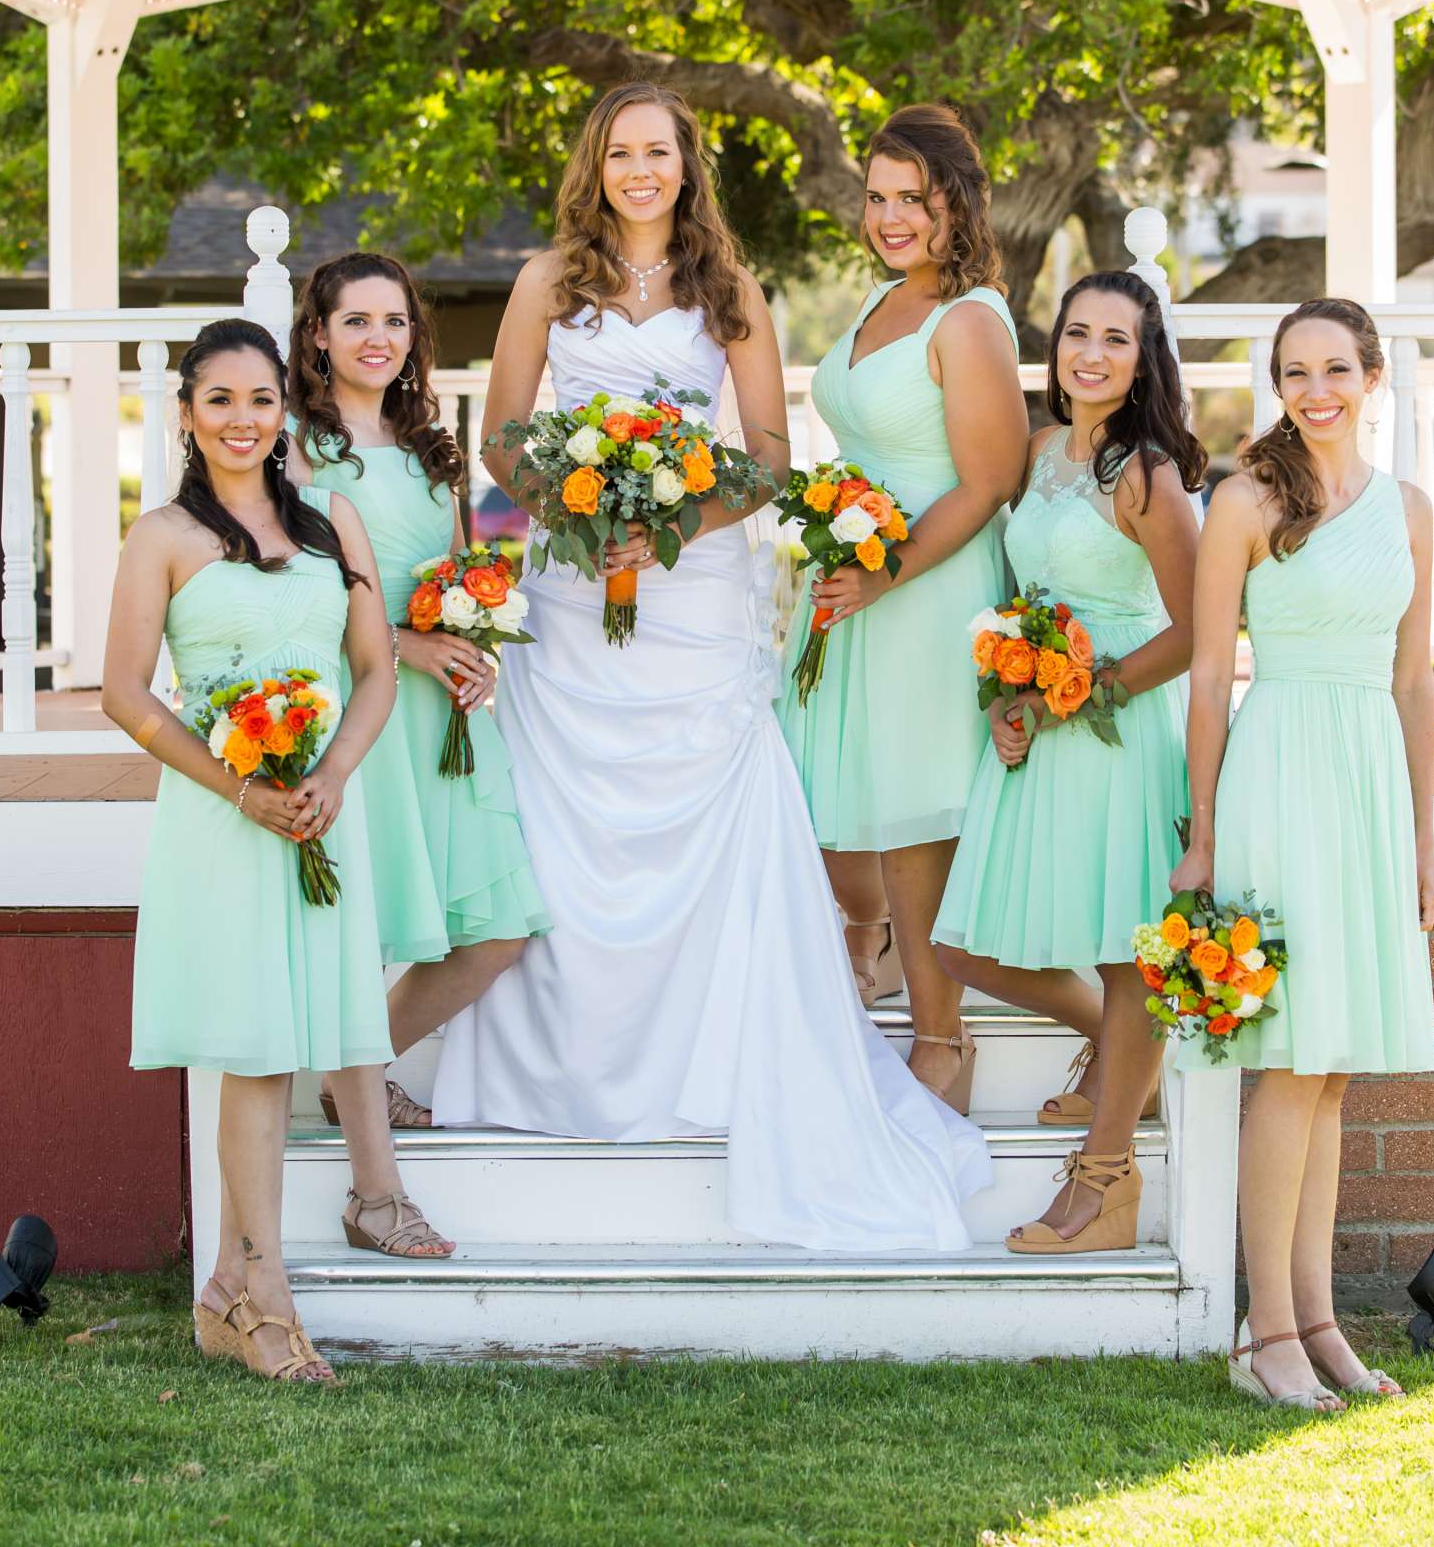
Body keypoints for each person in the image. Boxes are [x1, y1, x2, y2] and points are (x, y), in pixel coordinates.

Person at [433, 81, 989, 1251]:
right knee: (570, 823)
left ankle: (714, 1059)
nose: (643, 171)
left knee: (702, 811)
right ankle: (558, 1073)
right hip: (573, 596)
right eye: (622, 152)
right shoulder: (545, 282)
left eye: (662, 153)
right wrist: (572, 505)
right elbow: (500, 435)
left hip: (695, 593)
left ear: (690, 168)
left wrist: (673, 517)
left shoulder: (732, 291)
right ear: (597, 165)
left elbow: (773, 454)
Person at [105, 319, 435, 1382]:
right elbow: (123, 695)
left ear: (282, 412)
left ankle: (226, 1293)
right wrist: (242, 787)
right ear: (188, 415)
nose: (244, 421)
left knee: (289, 1045)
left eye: (260, 400)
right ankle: (269, 1297)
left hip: (320, 817)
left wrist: (331, 774)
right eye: (221, 401)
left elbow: (376, 669)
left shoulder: (332, 520)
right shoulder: (161, 535)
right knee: (254, 1054)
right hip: (224, 821)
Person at [1169, 298, 1434, 1409]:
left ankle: (1318, 1318)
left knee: (1329, 1069)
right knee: (1286, 1061)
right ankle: (1262, 1332)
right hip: (1278, 774)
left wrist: (1424, 839)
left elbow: (1415, 684)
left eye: (1337, 368)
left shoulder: (1412, 510)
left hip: (1368, 784)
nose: (1316, 389)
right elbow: (1206, 679)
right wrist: (1202, 831)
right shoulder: (1243, 501)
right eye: (1295, 371)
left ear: (1373, 376)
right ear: (1276, 381)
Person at [932, 268, 1204, 1253]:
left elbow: (1200, 630)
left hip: (1119, 726)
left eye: (1116, 339)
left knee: (1128, 946)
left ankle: (1103, 1180)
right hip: (1043, 723)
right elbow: (1026, 598)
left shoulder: (1147, 475)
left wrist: (1085, 694)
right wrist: (1014, 697)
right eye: (1077, 333)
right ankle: (1123, 1047)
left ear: (1144, 360)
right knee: (962, 945)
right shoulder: (1045, 450)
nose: (1091, 353)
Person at [773, 104, 1029, 1112]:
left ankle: (943, 1044)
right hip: (858, 581)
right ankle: (864, 951)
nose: (889, 218)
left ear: (955, 205)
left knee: (916, 828)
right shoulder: (886, 297)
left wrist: (887, 571)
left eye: (911, 201)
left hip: (928, 591)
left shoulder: (966, 318)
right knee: (840, 816)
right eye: (876, 198)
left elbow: (991, 476)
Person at [282, 252, 551, 1154]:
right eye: (355, 321)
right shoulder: (294, 447)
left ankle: (351, 1070)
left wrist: (475, 639)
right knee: (365, 920)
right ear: (317, 334)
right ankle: (362, 1105)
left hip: (439, 714)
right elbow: (294, 600)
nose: (377, 338)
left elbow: (448, 570)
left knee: (493, 934)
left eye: (393, 322)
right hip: (358, 705)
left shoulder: (432, 450)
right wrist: (407, 646)